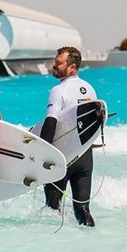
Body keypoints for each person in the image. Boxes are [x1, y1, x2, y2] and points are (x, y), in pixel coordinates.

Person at [40, 46, 98, 227]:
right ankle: (91, 244)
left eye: (59, 63)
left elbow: (51, 123)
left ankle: (55, 251)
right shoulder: (89, 89)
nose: (54, 65)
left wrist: (42, 153)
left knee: (52, 209)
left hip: (62, 156)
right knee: (83, 209)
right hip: (84, 156)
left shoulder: (59, 90)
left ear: (72, 67)